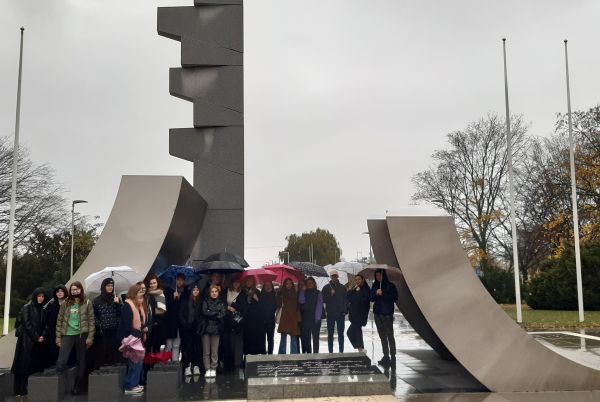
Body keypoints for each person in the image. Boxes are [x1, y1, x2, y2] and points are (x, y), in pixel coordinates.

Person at [55, 281, 95, 395]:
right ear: (70, 291)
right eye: (73, 289)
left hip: (82, 335)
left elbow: (91, 321)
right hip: (68, 334)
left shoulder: (87, 302)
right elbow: (59, 321)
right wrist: (58, 338)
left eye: (77, 289)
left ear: (81, 289)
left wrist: (90, 337)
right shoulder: (65, 303)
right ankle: (62, 385)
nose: (75, 291)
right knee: (62, 360)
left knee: (81, 361)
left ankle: (77, 386)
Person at [12, 288, 47, 397]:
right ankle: (19, 389)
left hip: (38, 341)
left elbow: (46, 325)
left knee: (32, 364)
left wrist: (43, 335)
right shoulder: (27, 307)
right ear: (35, 296)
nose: (41, 298)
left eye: (42, 296)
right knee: (23, 365)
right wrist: (36, 337)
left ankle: (27, 388)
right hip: (26, 341)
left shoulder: (43, 309)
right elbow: (27, 324)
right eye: (39, 296)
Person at [117, 284, 147, 396]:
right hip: (131, 338)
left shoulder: (139, 305)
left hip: (137, 337)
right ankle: (130, 386)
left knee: (138, 362)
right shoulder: (127, 306)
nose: (142, 293)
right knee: (135, 362)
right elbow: (126, 325)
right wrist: (136, 334)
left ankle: (135, 383)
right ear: (134, 293)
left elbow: (141, 322)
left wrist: (143, 329)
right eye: (139, 292)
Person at [371, 269, 398, 367]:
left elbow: (395, 297)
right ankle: (386, 356)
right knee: (382, 336)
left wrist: (383, 294)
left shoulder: (390, 286)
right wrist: (376, 293)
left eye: (380, 275)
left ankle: (393, 356)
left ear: (384, 275)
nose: (378, 277)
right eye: (377, 276)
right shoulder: (375, 286)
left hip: (387, 314)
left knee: (390, 335)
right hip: (377, 314)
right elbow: (371, 298)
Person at [92, 278, 122, 368]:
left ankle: (113, 364)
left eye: (112, 286)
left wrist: (117, 304)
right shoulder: (97, 300)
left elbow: (120, 313)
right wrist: (99, 324)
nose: (110, 287)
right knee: (103, 349)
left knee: (113, 348)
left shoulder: (116, 299)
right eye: (108, 285)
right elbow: (93, 315)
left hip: (114, 329)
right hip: (102, 330)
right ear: (103, 286)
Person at [235, 276, 265, 356]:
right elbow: (238, 304)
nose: (249, 282)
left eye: (251, 281)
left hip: (255, 319)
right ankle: (246, 355)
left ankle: (254, 355)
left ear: (253, 282)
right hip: (245, 319)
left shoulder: (257, 292)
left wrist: (257, 299)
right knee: (246, 338)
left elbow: (262, 306)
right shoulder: (242, 292)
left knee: (254, 338)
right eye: (247, 281)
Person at [179, 283, 203, 376]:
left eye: (197, 290)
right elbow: (180, 313)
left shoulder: (201, 301)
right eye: (194, 290)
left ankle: (196, 365)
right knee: (188, 347)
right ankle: (187, 366)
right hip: (187, 328)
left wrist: (200, 324)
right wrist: (184, 323)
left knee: (197, 347)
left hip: (197, 328)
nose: (195, 292)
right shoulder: (185, 301)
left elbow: (203, 314)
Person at [201, 285, 225, 377]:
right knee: (206, 351)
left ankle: (213, 368)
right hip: (206, 328)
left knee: (214, 350)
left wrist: (210, 312)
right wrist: (215, 312)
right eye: (212, 291)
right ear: (209, 292)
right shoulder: (205, 301)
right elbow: (204, 312)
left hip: (216, 329)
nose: (214, 293)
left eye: (216, 291)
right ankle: (207, 368)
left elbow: (222, 314)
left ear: (218, 293)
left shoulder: (221, 302)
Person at [322, 270, 348, 353]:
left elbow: (345, 300)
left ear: (337, 276)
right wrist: (330, 294)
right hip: (330, 313)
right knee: (330, 333)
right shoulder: (326, 287)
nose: (334, 277)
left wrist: (345, 310)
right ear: (330, 277)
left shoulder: (343, 287)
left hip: (340, 313)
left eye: (335, 276)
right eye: (333, 276)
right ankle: (330, 352)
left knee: (341, 333)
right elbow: (323, 299)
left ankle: (341, 352)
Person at [164, 273, 187, 362]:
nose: (180, 282)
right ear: (175, 280)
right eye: (178, 280)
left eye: (182, 280)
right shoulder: (169, 291)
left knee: (177, 344)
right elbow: (166, 307)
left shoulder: (186, 292)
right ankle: (166, 362)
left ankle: (175, 362)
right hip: (171, 322)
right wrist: (173, 298)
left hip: (180, 323)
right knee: (169, 344)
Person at [43, 284, 67, 369]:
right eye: (58, 291)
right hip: (52, 331)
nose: (59, 293)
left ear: (65, 292)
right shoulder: (51, 305)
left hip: (65, 330)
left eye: (62, 291)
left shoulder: (68, 304)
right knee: (53, 348)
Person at [298, 277, 323, 353]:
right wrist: (302, 291)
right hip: (306, 318)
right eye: (308, 283)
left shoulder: (318, 293)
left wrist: (317, 318)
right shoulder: (304, 292)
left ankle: (316, 354)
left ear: (314, 284)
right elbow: (301, 301)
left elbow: (319, 306)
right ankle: (309, 354)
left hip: (315, 319)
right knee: (307, 338)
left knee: (315, 338)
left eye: (311, 283)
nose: (310, 284)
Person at [346, 274, 371, 352]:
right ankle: (361, 349)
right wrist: (350, 290)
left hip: (361, 315)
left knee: (351, 332)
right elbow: (349, 298)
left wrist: (357, 292)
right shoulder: (356, 288)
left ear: (363, 279)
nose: (357, 281)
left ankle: (360, 348)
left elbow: (363, 300)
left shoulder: (366, 289)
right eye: (356, 280)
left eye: (359, 279)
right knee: (356, 332)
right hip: (354, 315)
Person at [223, 279, 243, 370]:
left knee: (234, 342)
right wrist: (228, 307)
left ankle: (235, 362)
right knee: (226, 341)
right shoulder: (227, 291)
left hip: (236, 320)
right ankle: (226, 363)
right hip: (226, 319)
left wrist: (234, 307)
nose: (236, 284)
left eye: (238, 282)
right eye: (235, 282)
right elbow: (222, 302)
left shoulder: (241, 293)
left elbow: (242, 306)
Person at [276, 278, 301, 354]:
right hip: (284, 317)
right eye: (287, 283)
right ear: (284, 284)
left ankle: (294, 354)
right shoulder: (281, 293)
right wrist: (279, 294)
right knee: (283, 338)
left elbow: (297, 305)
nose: (288, 285)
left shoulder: (295, 293)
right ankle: (282, 354)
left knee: (293, 338)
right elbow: (278, 304)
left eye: (290, 283)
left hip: (293, 317)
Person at [145, 275, 167, 353]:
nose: (153, 285)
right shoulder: (146, 294)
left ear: (157, 283)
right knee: (147, 345)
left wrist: (150, 312)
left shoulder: (160, 293)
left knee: (156, 346)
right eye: (150, 283)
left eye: (154, 283)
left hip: (157, 323)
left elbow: (162, 310)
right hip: (148, 322)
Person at [258, 281, 277, 354]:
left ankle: (270, 353)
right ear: (264, 286)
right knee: (262, 338)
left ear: (271, 286)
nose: (268, 286)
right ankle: (263, 353)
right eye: (266, 285)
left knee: (270, 338)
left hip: (271, 320)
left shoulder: (274, 295)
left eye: (269, 285)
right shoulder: (261, 295)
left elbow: (275, 306)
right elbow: (260, 306)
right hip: (262, 320)